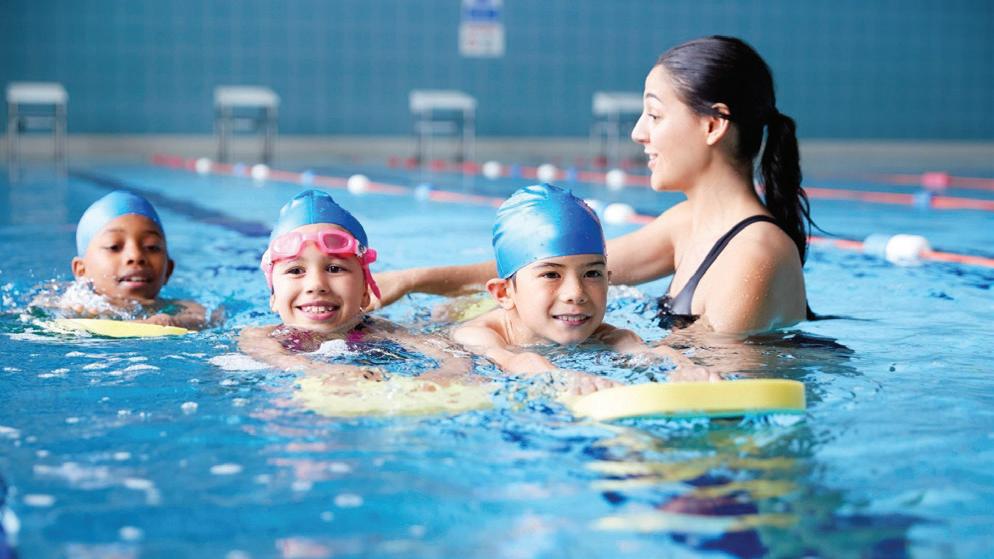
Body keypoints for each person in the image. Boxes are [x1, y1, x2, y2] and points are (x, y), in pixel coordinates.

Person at [370, 36, 813, 337]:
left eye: (654, 116)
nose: (639, 133)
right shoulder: (689, 223)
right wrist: (412, 282)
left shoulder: (755, 255)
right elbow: (545, 263)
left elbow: (707, 383)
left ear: (713, 125)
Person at [452, 184, 712, 393]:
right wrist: (559, 377)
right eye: (551, 274)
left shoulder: (607, 335)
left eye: (592, 274)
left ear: (608, 281)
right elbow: (513, 360)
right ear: (504, 293)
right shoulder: (476, 335)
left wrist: (682, 367)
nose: (576, 293)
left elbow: (641, 351)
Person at [238, 190, 472, 388]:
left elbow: (453, 356)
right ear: (273, 296)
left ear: (364, 292)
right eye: (295, 270)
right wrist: (324, 371)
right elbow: (277, 358)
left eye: (334, 268)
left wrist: (445, 375)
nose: (316, 285)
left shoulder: (382, 331)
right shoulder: (260, 336)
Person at [35, 190, 208, 329]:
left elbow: (203, 319)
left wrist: (169, 322)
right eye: (114, 246)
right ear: (81, 270)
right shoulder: (71, 304)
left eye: (151, 247)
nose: (136, 256)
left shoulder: (181, 310)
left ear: (168, 270)